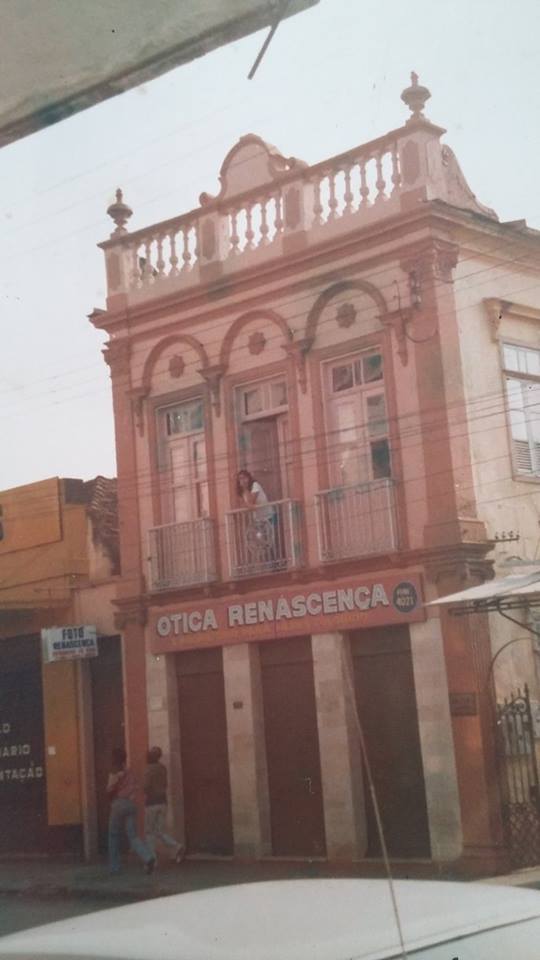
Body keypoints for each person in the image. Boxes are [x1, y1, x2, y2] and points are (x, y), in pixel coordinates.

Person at [107, 747, 156, 875]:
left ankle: (115, 867)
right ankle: (148, 858)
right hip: (131, 804)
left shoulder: (115, 772)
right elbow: (136, 786)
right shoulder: (130, 772)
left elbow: (109, 789)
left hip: (118, 803)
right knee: (133, 836)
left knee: (113, 835)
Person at [144, 746, 185, 864]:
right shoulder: (163, 768)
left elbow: (146, 786)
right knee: (160, 832)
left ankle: (153, 859)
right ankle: (177, 846)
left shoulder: (148, 769)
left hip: (151, 803)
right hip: (163, 802)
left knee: (149, 832)